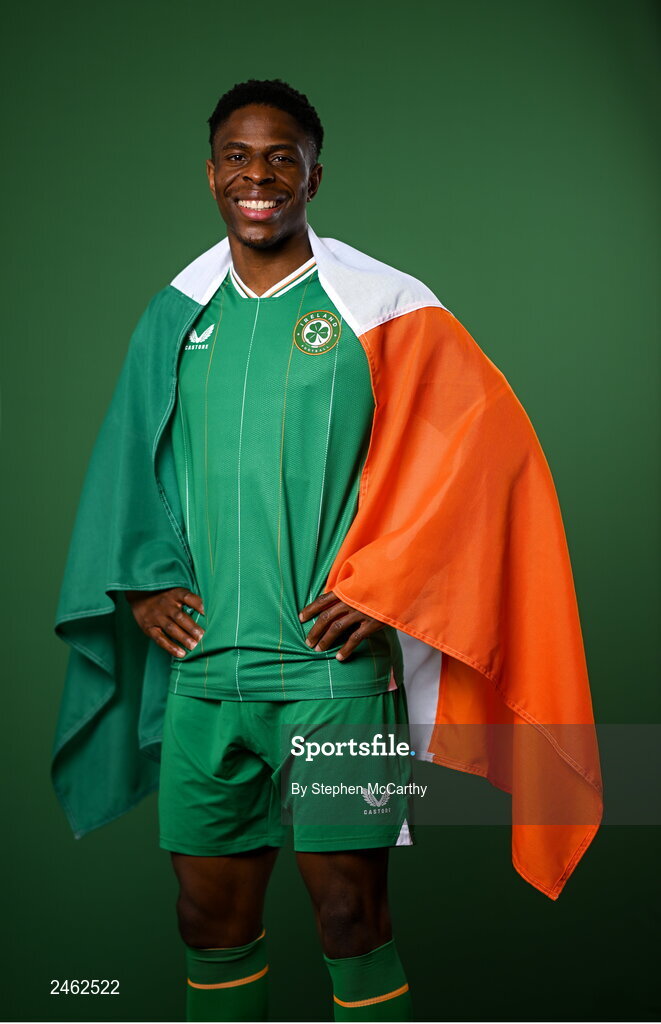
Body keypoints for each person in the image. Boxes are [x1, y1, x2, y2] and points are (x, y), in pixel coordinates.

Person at [51, 78, 603, 1024]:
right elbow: (125, 460)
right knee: (205, 916)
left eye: (279, 158)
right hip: (205, 680)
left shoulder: (382, 306)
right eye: (237, 156)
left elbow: (487, 456)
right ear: (211, 172)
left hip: (335, 680)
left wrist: (393, 585)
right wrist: (141, 582)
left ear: (314, 173)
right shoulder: (176, 313)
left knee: (351, 912)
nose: (256, 176)